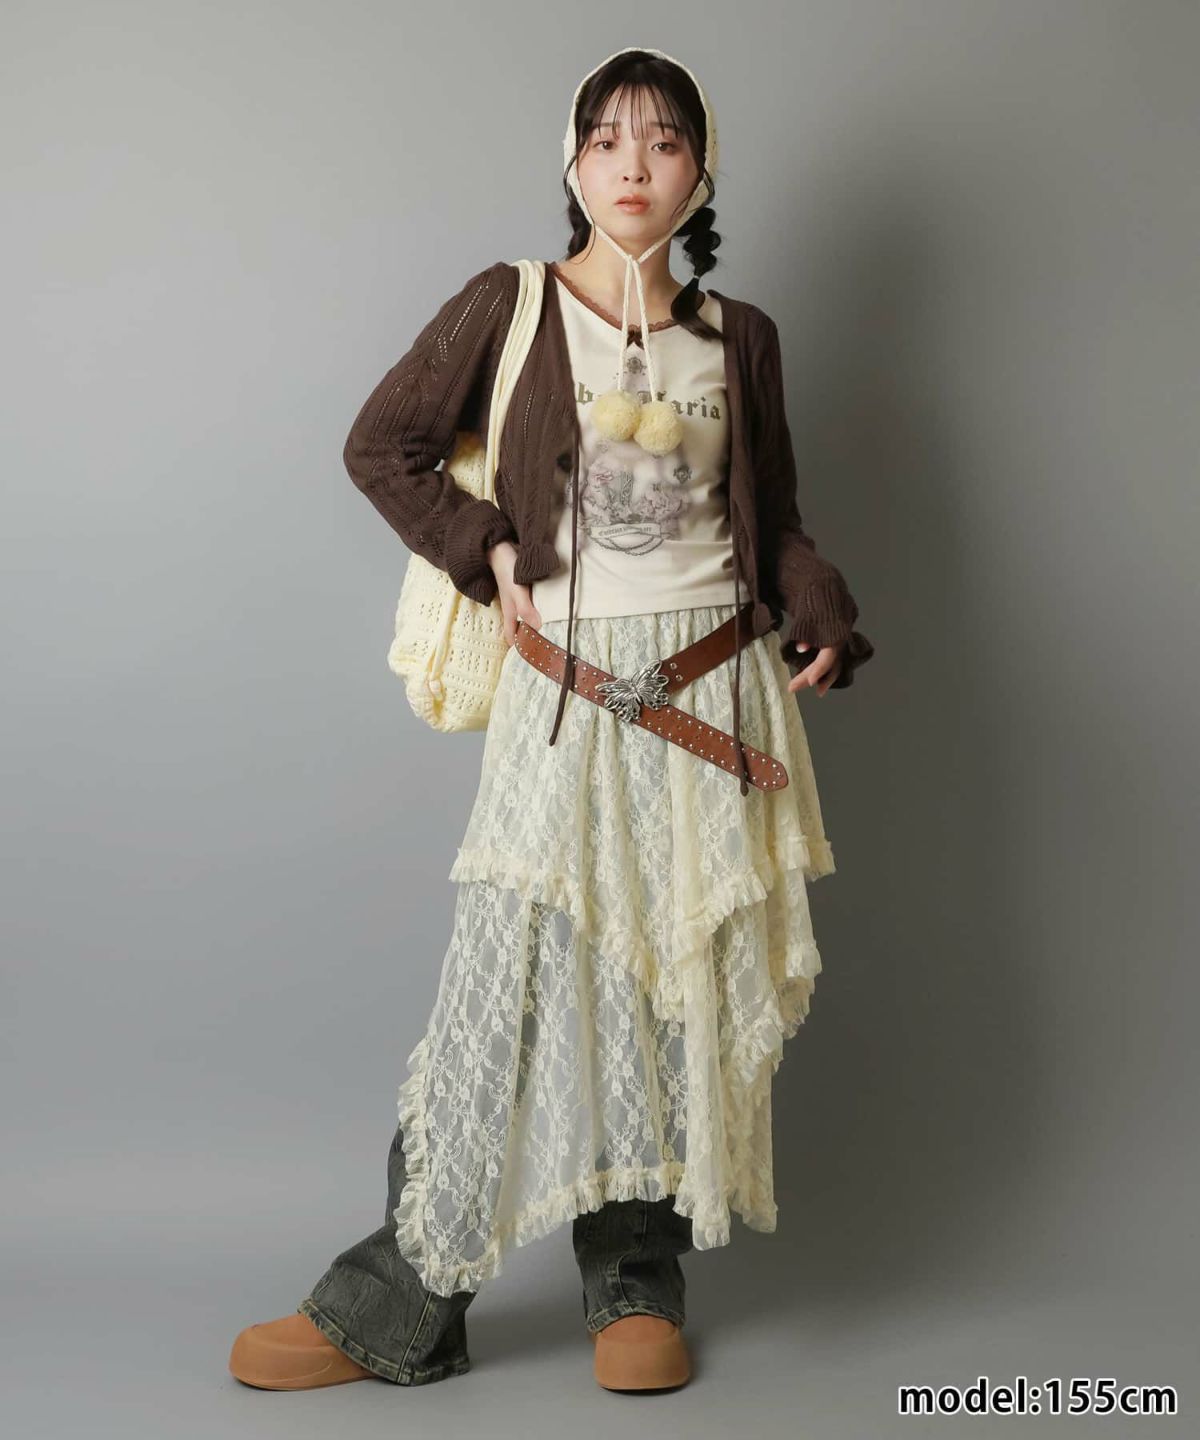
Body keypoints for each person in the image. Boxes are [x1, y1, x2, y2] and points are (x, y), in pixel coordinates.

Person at [229, 44, 874, 1395]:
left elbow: (774, 522)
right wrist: (487, 548)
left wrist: (817, 602)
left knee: (668, 988)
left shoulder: (739, 336)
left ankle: (636, 1281)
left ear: (702, 170)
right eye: (608, 139)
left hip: (715, 698)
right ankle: (407, 1294)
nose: (635, 165)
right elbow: (383, 446)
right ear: (572, 164)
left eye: (665, 140)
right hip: (567, 701)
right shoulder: (510, 303)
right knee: (506, 983)